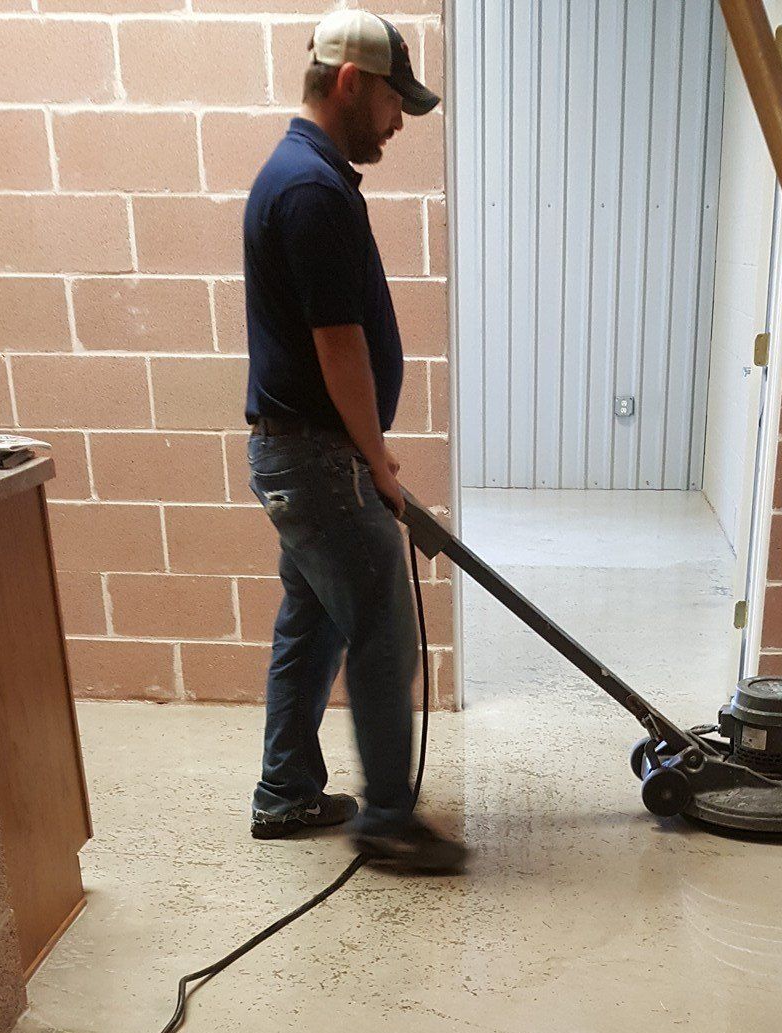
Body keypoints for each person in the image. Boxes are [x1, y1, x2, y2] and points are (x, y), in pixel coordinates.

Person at [242, 8, 465, 873]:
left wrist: (367, 456)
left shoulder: (309, 178)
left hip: (304, 455)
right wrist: (377, 462)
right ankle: (387, 822)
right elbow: (340, 349)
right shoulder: (310, 191)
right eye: (392, 101)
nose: (398, 120)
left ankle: (286, 790)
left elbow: (337, 344)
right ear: (349, 82)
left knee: (315, 620)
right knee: (380, 625)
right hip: (318, 458)